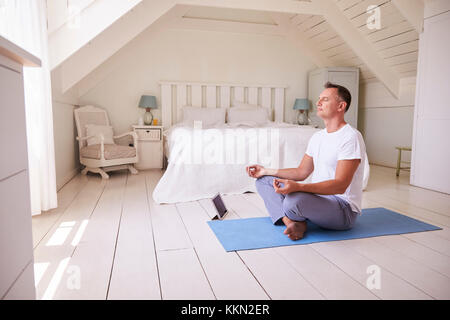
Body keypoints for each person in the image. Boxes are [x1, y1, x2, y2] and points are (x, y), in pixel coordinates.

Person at [246, 82, 366, 241]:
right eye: (319, 99)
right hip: (319, 200)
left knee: (294, 199)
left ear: (340, 106)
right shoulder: (318, 137)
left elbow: (341, 185)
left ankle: (296, 219)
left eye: (325, 99)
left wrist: (299, 188)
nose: (318, 103)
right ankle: (292, 222)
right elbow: (301, 172)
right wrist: (266, 171)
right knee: (263, 182)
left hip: (343, 209)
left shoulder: (351, 136)